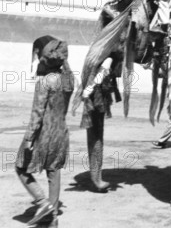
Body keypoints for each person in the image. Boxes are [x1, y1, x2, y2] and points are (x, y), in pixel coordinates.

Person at [15, 36, 74, 227]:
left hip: (44, 133)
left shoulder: (45, 82)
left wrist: (29, 139)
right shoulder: (68, 78)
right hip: (61, 132)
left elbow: (37, 113)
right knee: (53, 172)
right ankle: (52, 218)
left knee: (20, 166)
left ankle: (42, 202)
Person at [78, 55, 122, 192]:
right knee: (96, 137)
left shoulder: (103, 54)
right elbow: (102, 72)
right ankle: (96, 178)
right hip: (96, 97)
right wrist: (88, 90)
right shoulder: (110, 56)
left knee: (95, 136)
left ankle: (96, 175)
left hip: (98, 96)